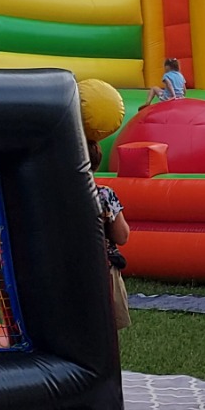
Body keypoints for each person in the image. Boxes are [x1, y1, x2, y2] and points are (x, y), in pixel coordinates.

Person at [90, 140, 132, 330]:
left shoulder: (53, 194)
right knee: (107, 329)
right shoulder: (103, 195)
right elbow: (122, 236)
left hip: (64, 268)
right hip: (102, 268)